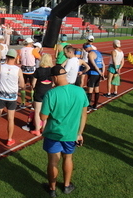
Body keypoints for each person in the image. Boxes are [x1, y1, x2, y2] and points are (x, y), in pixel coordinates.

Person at [40, 65, 88, 197]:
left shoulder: (51, 93)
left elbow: (43, 117)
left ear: (54, 77)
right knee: (68, 158)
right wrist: (79, 133)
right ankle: (67, 186)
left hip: (53, 133)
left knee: (53, 161)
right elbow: (84, 114)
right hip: (71, 134)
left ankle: (52, 189)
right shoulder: (79, 91)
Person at [0, 49, 25, 146]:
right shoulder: (18, 70)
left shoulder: (0, 67)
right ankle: (9, 139)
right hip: (12, 97)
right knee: (11, 119)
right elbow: (22, 85)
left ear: (7, 56)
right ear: (16, 57)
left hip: (1, 95)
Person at [24, 53, 53, 135]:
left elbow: (33, 83)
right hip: (48, 93)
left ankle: (37, 129)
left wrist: (34, 88)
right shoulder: (51, 70)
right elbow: (54, 82)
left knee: (37, 112)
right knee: (46, 111)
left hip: (39, 92)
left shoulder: (38, 70)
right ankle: (44, 128)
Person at [17, 37, 41, 109]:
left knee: (22, 86)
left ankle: (23, 102)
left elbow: (18, 61)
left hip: (23, 69)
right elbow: (40, 58)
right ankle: (32, 100)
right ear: (30, 43)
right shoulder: (33, 50)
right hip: (32, 70)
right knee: (33, 86)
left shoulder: (20, 50)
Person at [84, 43, 105, 111]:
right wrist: (102, 73)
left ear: (87, 47)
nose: (85, 50)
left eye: (85, 49)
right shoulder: (98, 52)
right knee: (96, 89)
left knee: (90, 90)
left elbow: (94, 65)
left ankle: (87, 107)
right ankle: (95, 105)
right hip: (98, 73)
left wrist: (99, 73)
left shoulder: (90, 54)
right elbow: (103, 64)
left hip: (93, 73)